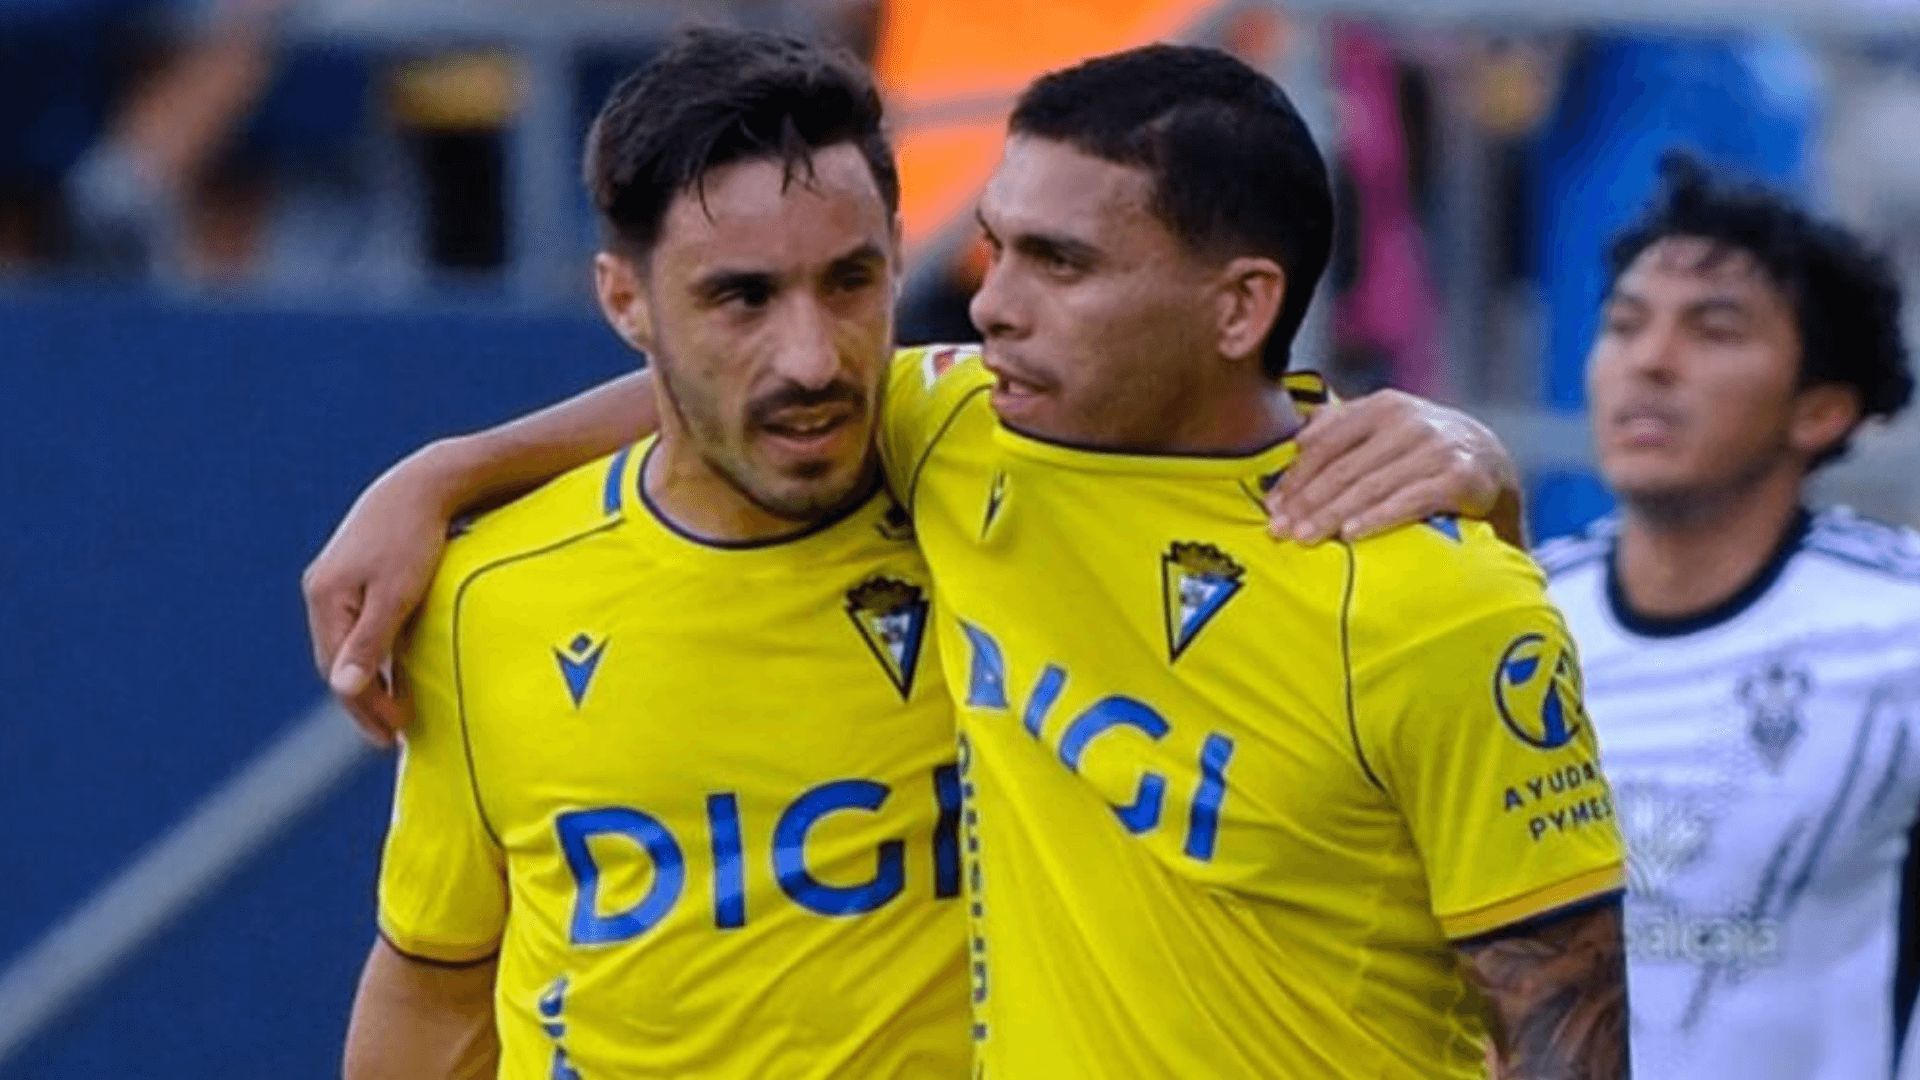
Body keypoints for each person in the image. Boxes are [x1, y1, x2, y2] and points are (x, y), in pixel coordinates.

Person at [315, 38, 1622, 1080]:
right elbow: (773, 393)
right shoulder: (961, 429)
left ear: (1241, 304)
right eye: (996, 249)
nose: (989, 301)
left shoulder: (1421, 588)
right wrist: (445, 469)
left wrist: (1473, 463)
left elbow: (1565, 1024)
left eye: (1060, 262)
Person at [341, 32, 969, 1077]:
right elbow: (436, 979)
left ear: (900, 259)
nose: (814, 356)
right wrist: (447, 473)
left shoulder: (1004, 482)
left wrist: (1349, 434)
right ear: (624, 299)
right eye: (742, 298)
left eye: (851, 281)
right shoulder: (484, 598)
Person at [1535, 155, 1920, 1080]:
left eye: (1714, 330)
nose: (1651, 361)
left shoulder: (1897, 626)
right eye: (1623, 326)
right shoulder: (1521, 616)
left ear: (1821, 409)